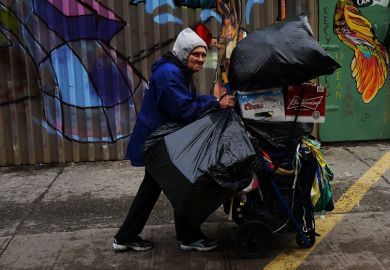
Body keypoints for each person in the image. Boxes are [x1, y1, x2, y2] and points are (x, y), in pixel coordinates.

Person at [112, 28, 236, 252]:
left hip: (163, 141)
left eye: (202, 55)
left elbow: (189, 100)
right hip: (160, 142)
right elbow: (184, 110)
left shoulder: (177, 71)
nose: (200, 59)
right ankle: (188, 237)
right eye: (195, 54)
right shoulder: (170, 74)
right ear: (183, 52)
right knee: (185, 185)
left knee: (159, 188)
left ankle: (127, 237)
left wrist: (213, 100)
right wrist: (215, 104)